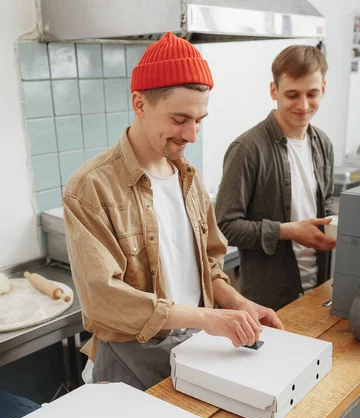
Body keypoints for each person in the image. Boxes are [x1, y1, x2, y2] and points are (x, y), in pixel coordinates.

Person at [63, 32, 283, 391]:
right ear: (140, 103)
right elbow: (105, 300)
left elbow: (208, 267)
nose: (192, 135)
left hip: (192, 350)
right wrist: (209, 319)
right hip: (127, 367)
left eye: (200, 120)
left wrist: (239, 304)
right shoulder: (91, 188)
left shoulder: (188, 179)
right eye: (180, 119)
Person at [215, 45, 336, 311]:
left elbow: (325, 205)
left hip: (320, 290)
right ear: (274, 91)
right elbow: (225, 226)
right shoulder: (247, 149)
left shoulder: (323, 144)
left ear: (323, 90)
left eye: (312, 94)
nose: (303, 105)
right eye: (292, 94)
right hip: (270, 302)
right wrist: (288, 231)